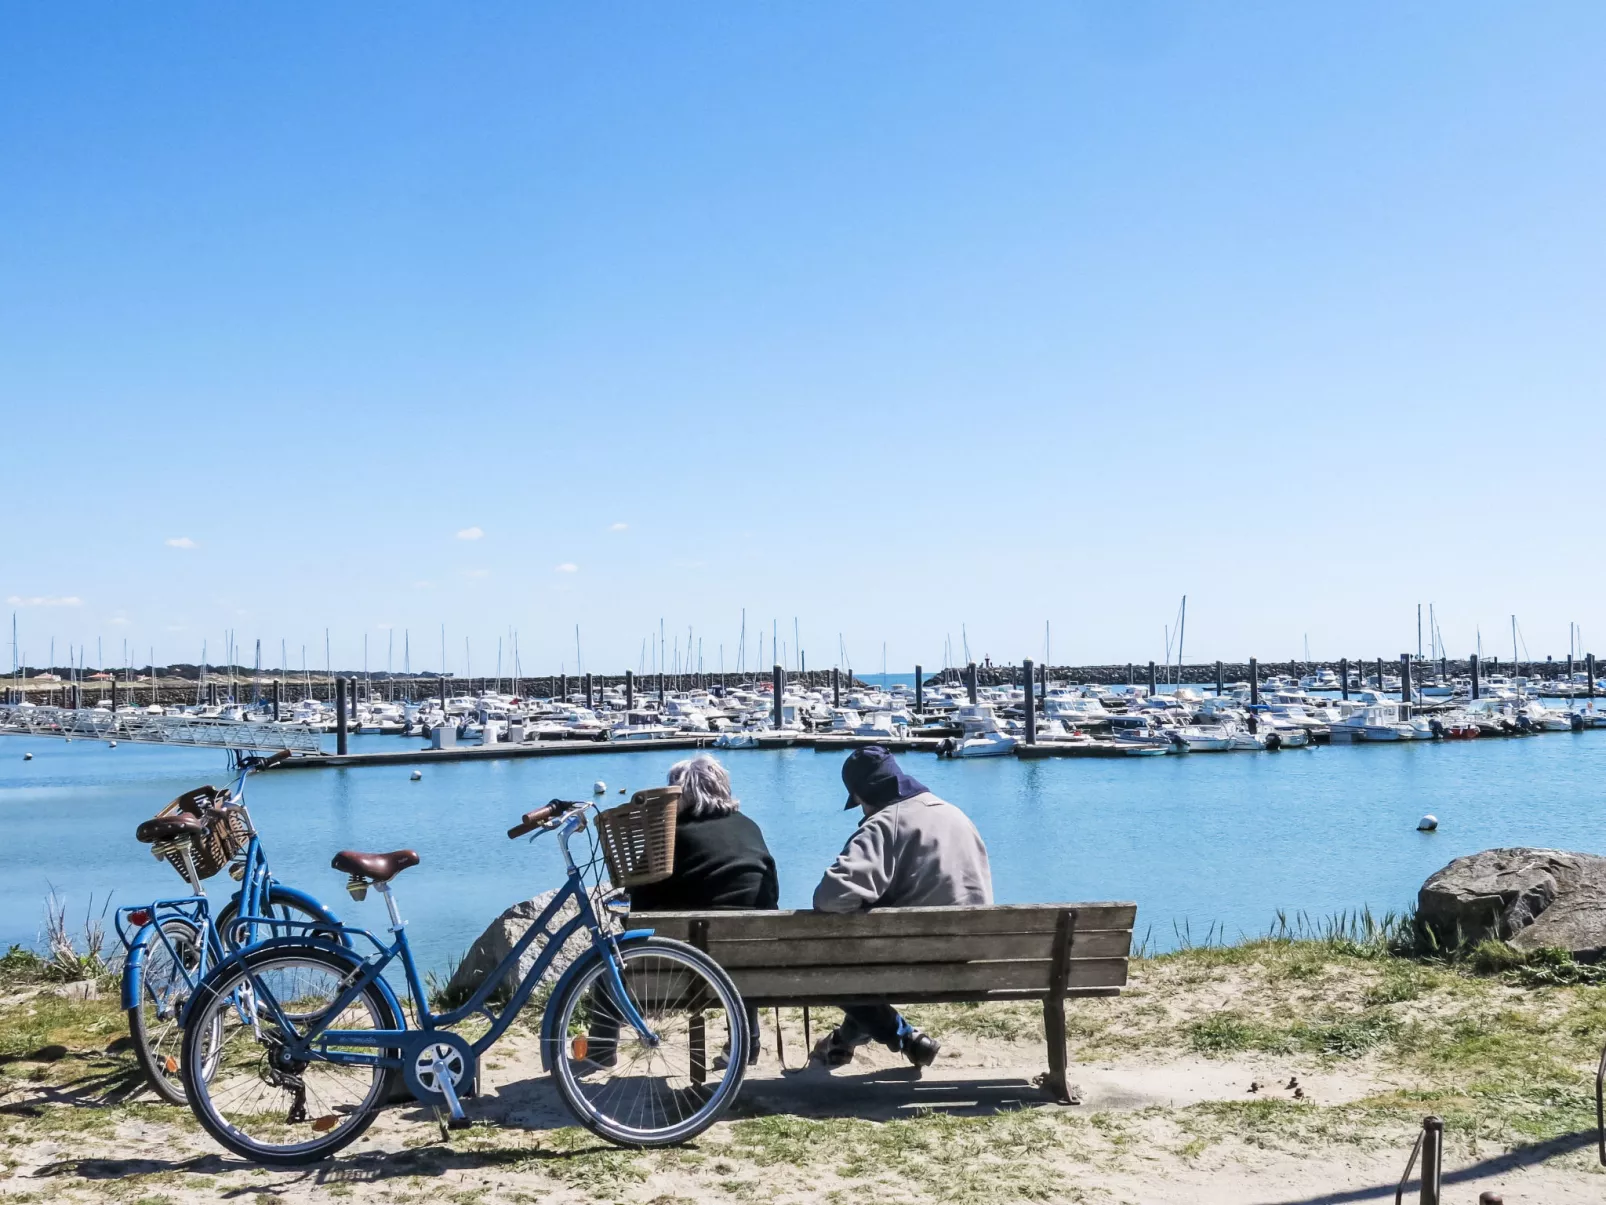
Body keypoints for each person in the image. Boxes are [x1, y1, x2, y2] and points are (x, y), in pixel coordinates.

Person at [812, 745, 992, 1068]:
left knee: (822, 966)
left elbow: (828, 898)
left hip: (915, 962)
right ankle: (847, 1039)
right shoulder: (955, 813)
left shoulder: (883, 823)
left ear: (863, 797)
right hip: (975, 957)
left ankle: (904, 1037)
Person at [594, 755, 776, 1065]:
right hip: (749, 964)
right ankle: (748, 1042)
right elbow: (770, 897)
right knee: (742, 947)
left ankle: (601, 1049)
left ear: (678, 794)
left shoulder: (667, 838)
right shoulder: (750, 828)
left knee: (604, 963)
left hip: (679, 972)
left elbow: (640, 910)